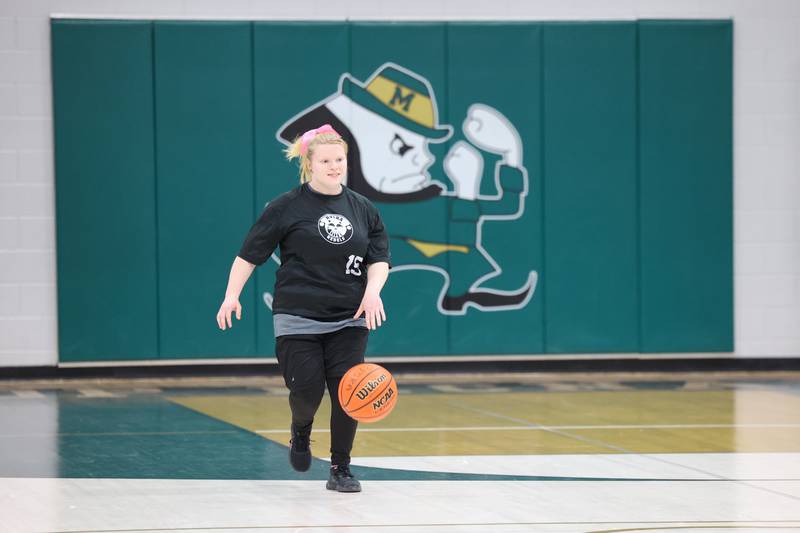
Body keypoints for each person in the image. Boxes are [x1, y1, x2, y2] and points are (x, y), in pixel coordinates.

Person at [215, 124, 391, 493]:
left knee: (348, 392)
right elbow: (248, 256)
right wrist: (232, 295)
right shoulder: (286, 207)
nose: (334, 166)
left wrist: (373, 292)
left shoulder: (363, 208)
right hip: (298, 317)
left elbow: (379, 259)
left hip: (350, 317)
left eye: (339, 160)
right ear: (309, 164)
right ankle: (301, 430)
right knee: (307, 392)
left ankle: (341, 468)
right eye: (325, 160)